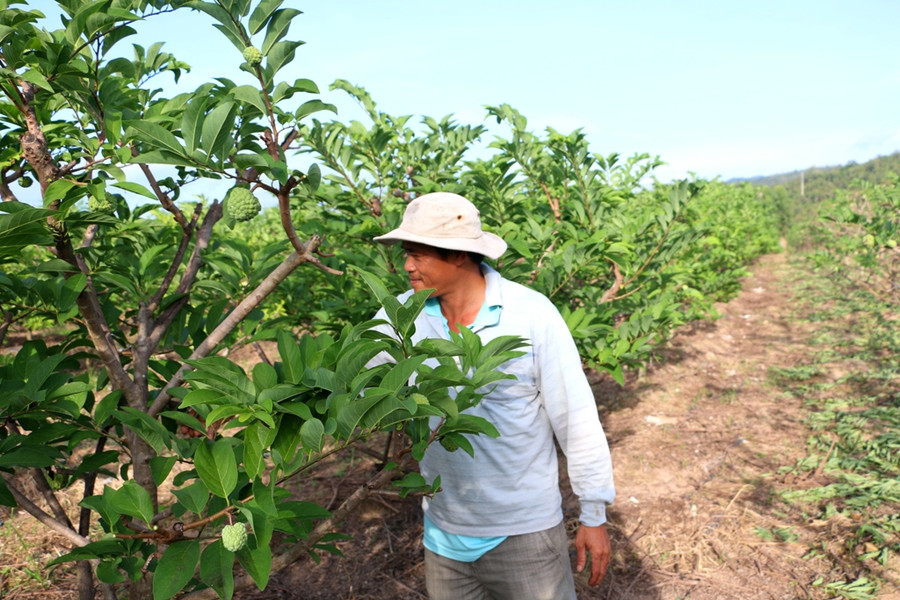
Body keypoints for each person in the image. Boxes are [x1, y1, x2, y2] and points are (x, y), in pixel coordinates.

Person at [370, 191, 616, 600]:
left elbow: (575, 418)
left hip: (525, 534)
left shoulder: (530, 314)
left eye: (418, 255)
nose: (408, 266)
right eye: (406, 254)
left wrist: (593, 514)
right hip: (443, 531)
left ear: (458, 254)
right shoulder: (399, 316)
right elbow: (363, 387)